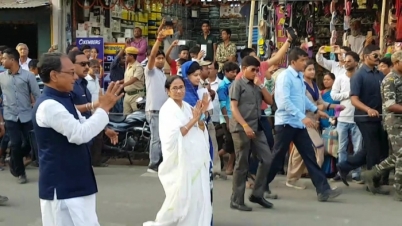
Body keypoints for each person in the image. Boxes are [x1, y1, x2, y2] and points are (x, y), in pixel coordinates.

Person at [33, 52, 123, 226]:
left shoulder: (62, 99)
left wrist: (103, 125)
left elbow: (84, 123)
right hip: (62, 184)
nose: (75, 77)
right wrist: (104, 109)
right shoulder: (49, 105)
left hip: (76, 178)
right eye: (70, 73)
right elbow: (79, 134)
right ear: (53, 75)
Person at [266, 47, 342, 201]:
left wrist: (315, 109)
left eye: (305, 59)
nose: (305, 63)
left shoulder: (299, 76)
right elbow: (284, 102)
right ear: (293, 61)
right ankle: (259, 186)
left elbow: (302, 98)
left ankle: (323, 190)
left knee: (310, 157)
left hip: (298, 125)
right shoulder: (284, 77)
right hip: (286, 123)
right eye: (302, 60)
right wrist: (302, 117)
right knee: (277, 158)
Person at [143, 76, 212, 226]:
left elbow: (199, 130)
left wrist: (200, 118)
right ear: (168, 91)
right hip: (179, 162)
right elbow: (173, 137)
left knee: (198, 197)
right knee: (179, 199)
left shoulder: (187, 106)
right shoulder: (167, 110)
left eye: (181, 87)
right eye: (175, 88)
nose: (179, 91)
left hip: (194, 161)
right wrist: (194, 120)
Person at [337, 45, 390, 193]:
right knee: (373, 150)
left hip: (379, 118)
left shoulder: (380, 75)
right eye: (375, 55)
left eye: (379, 55)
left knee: (373, 149)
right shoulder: (358, 75)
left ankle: (345, 165)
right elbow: (354, 99)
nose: (378, 58)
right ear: (366, 56)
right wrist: (368, 109)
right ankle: (372, 183)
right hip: (364, 118)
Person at [286, 60, 343, 190]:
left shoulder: (314, 86)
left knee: (300, 152)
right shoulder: (301, 85)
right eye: (309, 69)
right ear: (303, 72)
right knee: (319, 147)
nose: (312, 72)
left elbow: (321, 102)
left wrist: (335, 106)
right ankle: (319, 180)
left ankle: (292, 178)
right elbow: (302, 104)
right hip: (304, 120)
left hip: (313, 120)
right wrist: (318, 109)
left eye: (313, 69)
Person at [229, 56, 274, 211]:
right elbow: (233, 108)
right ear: (244, 69)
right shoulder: (237, 84)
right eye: (252, 70)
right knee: (242, 164)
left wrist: (261, 85)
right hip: (241, 128)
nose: (255, 73)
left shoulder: (256, 85)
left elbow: (270, 101)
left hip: (257, 127)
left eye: (257, 70)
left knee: (267, 158)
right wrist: (245, 125)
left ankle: (257, 193)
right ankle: (236, 200)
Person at [363, 50, 402, 201]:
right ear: (397, 63)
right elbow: (391, 105)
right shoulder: (390, 80)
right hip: (394, 122)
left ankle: (373, 172)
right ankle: (399, 189)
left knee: (399, 155)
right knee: (401, 155)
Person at [68, 51, 118, 167]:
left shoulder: (83, 84)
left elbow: (90, 113)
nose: (86, 67)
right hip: (75, 138)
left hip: (86, 132)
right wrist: (94, 105)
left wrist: (104, 128)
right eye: (83, 64)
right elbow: (69, 109)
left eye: (87, 64)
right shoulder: (70, 85)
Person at [0, 48, 41, 184]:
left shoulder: (28, 76)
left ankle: (14, 160)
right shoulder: (1, 77)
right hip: (10, 115)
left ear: (12, 60)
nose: (2, 60)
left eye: (4, 58)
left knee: (29, 145)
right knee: (16, 144)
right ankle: (20, 173)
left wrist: (39, 112)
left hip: (27, 115)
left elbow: (37, 95)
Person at [330, 51, 363, 182]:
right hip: (343, 117)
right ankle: (341, 171)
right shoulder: (340, 78)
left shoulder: (360, 77)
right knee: (341, 148)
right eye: (345, 61)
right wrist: (348, 94)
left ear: (356, 62)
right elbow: (333, 95)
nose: (346, 63)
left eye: (349, 61)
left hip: (358, 118)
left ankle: (356, 173)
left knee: (358, 148)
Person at [145, 30, 169, 173]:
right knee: (156, 138)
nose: (160, 60)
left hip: (162, 110)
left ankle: (158, 161)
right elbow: (152, 55)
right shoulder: (150, 71)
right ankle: (153, 164)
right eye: (158, 58)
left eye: (162, 58)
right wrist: (159, 40)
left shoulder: (161, 73)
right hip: (154, 110)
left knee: (161, 138)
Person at [217, 62, 239, 176]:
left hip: (235, 117)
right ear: (225, 72)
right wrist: (227, 120)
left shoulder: (235, 83)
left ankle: (229, 167)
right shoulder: (223, 86)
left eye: (236, 72)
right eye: (232, 72)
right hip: (227, 118)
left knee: (234, 145)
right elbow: (222, 105)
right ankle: (213, 159)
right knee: (229, 144)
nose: (235, 74)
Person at [122, 47, 145, 115]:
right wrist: (119, 82)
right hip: (127, 95)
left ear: (131, 56)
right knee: (126, 117)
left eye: (126, 55)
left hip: (136, 95)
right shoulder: (129, 65)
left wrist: (122, 85)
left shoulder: (138, 67)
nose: (125, 56)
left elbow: (134, 79)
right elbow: (127, 79)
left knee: (137, 116)